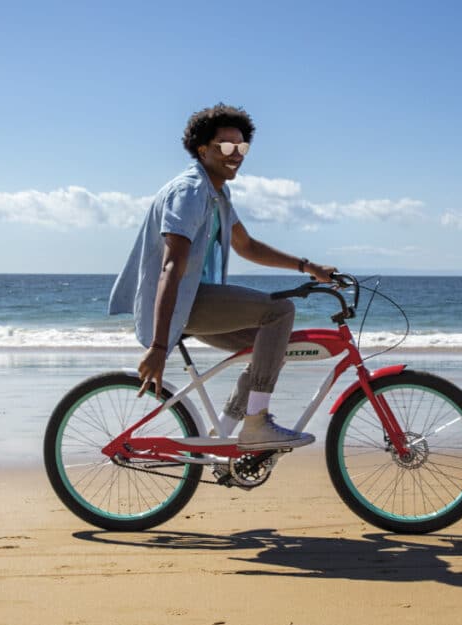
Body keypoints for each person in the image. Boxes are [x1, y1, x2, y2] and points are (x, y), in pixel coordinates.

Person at [108, 104, 337, 451]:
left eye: (242, 147)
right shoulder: (190, 192)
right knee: (280, 312)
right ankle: (257, 423)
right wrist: (158, 347)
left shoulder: (217, 193)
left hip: (192, 299)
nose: (236, 155)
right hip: (182, 303)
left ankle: (228, 430)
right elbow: (172, 267)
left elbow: (247, 245)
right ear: (203, 149)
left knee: (271, 343)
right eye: (226, 146)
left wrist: (307, 267)